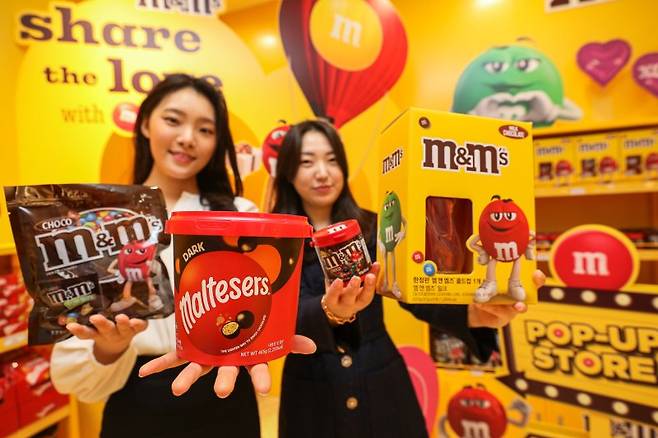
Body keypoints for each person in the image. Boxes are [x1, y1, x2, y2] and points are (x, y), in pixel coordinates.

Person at [49, 74, 315, 438]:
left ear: (217, 142)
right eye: (173, 120)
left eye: (205, 130)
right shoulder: (103, 223)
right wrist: (109, 348)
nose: (188, 138)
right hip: (136, 406)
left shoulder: (240, 215)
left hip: (226, 397)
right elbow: (70, 373)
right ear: (145, 123)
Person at [271, 119, 545, 438]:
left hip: (381, 382)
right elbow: (275, 314)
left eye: (332, 160)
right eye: (307, 162)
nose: (322, 172)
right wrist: (327, 311)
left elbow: (412, 289)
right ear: (288, 172)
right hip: (310, 392)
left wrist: (472, 314)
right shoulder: (275, 241)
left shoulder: (376, 227)